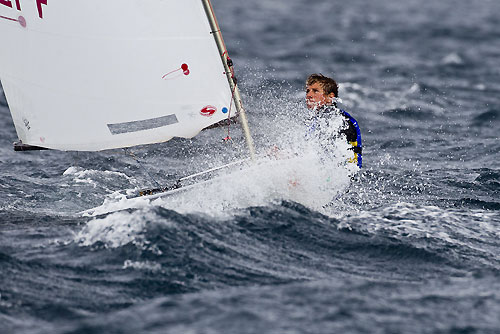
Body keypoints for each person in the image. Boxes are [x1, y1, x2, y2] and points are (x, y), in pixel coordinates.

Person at [305, 74, 362, 168]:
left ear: (330, 97)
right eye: (307, 91)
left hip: (339, 177)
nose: (309, 95)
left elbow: (337, 158)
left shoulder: (340, 121)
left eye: (315, 91)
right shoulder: (314, 121)